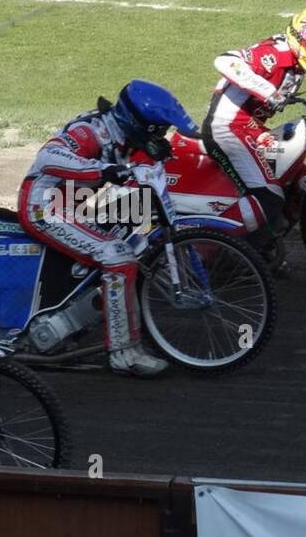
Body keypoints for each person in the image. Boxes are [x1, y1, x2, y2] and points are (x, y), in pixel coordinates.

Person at [18, 80, 198, 377]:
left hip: (75, 202)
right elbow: (47, 158)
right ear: (138, 122)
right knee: (117, 256)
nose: (161, 136)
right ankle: (123, 353)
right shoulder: (92, 132)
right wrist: (102, 170)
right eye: (157, 131)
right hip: (44, 204)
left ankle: (79, 313)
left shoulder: (124, 132)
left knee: (138, 217)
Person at [206, 4, 306, 230]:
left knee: (298, 183)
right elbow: (224, 61)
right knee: (269, 199)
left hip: (250, 130)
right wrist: (269, 91)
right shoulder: (274, 55)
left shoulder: (297, 59)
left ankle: (272, 241)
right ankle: (216, 243)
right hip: (227, 130)